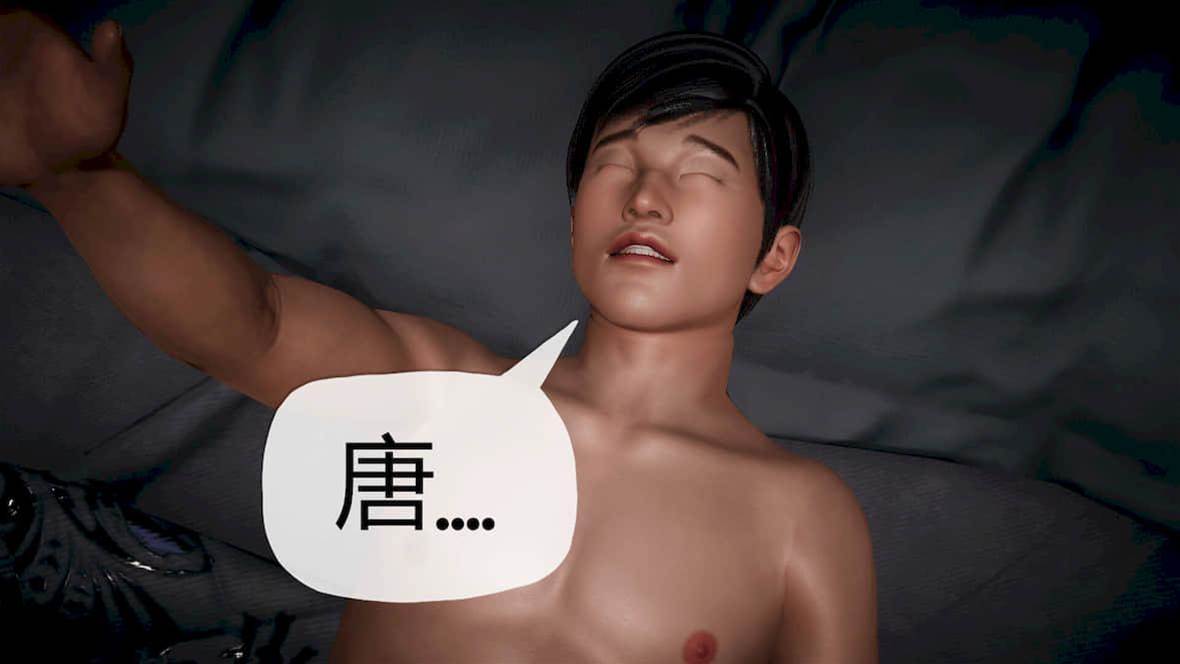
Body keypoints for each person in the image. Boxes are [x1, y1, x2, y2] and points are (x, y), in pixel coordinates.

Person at [1, 8, 877, 663]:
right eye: (616, 165)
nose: (645, 198)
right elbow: (252, 325)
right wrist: (74, 178)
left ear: (774, 257)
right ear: (576, 219)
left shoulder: (801, 518)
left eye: (698, 174)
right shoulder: (445, 394)